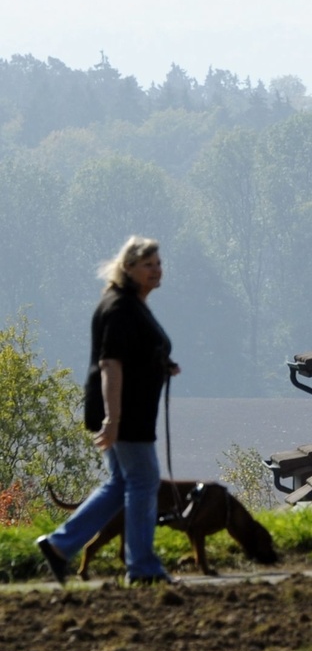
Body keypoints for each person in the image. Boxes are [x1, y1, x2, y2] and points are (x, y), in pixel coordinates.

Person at [37, 236, 181, 586]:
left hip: (129, 412)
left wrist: (161, 364)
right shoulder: (120, 307)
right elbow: (110, 365)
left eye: (158, 263)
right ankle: (142, 566)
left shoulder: (130, 304)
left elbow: (133, 354)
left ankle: (59, 545)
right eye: (148, 264)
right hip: (125, 414)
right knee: (143, 480)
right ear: (128, 268)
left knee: (122, 482)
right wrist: (112, 421)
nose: (156, 269)